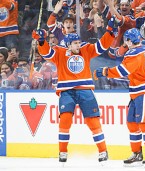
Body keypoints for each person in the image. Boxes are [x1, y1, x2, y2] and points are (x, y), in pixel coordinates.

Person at [32, 17, 117, 163]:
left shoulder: (86, 49)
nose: (79, 45)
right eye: (75, 43)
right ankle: (63, 152)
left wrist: (109, 31)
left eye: (79, 42)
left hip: (85, 89)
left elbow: (101, 46)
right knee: (65, 120)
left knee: (93, 121)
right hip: (67, 90)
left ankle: (103, 151)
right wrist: (41, 41)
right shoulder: (59, 51)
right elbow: (46, 54)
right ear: (68, 45)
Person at [94, 28, 145, 167]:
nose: (125, 44)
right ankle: (137, 153)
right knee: (131, 122)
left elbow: (122, 71)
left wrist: (105, 71)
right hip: (137, 92)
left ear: (130, 41)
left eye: (126, 41)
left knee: (144, 123)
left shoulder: (133, 54)